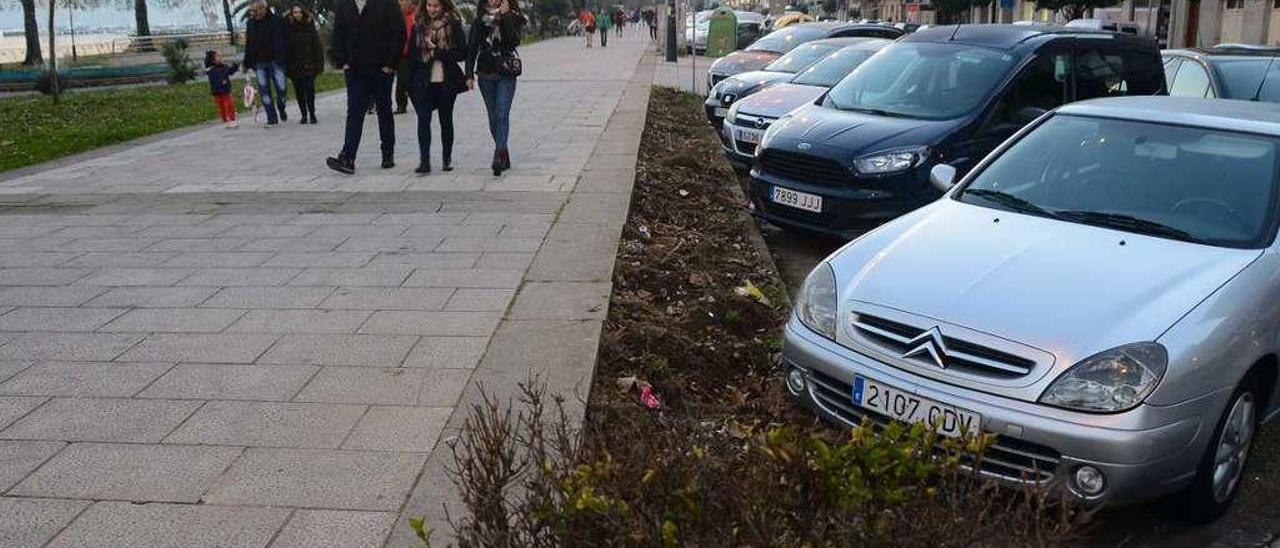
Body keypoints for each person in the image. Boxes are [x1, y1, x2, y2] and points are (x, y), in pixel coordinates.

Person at [327, 0, 407, 174]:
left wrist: (390, 64)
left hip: (381, 67)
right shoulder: (345, 4)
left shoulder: (387, 4)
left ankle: (388, 153)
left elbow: (399, 33)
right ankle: (347, 157)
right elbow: (338, 34)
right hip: (355, 68)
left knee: (384, 110)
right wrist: (342, 60)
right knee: (354, 112)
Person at [408, 0, 467, 174]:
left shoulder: (453, 24)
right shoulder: (418, 26)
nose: (432, 9)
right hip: (423, 81)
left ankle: (446, 158)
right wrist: (408, 83)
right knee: (423, 120)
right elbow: (412, 56)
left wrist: (437, 52)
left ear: (443, 6)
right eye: (429, 5)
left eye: (436, 6)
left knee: (445, 120)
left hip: (446, 80)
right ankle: (424, 160)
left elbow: (462, 52)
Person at [466, 0, 524, 176]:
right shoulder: (479, 20)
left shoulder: (513, 17)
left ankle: (498, 155)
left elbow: (514, 41)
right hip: (485, 73)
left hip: (506, 72)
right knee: (493, 117)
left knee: (501, 114)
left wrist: (505, 16)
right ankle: (503, 152)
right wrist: (468, 74)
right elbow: (472, 47)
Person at [243, 0, 289, 126]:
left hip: (276, 61)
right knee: (264, 91)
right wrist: (246, 63)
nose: (254, 13)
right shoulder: (251, 23)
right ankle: (272, 118)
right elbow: (249, 44)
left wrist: (284, 57)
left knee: (282, 89)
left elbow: (285, 41)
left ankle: (281, 106)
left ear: (264, 8)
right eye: (252, 10)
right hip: (260, 63)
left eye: (256, 10)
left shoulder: (277, 21)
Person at [284, 3, 324, 124]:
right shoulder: (288, 29)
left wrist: (318, 64)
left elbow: (316, 46)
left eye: (299, 12)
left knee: (310, 90)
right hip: (295, 66)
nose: (297, 15)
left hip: (309, 64)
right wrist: (288, 66)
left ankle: (312, 113)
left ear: (303, 12)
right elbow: (286, 48)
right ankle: (304, 114)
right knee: (299, 92)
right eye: (295, 12)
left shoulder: (309, 26)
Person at [204, 49, 239, 128]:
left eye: (221, 56)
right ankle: (225, 119)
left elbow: (230, 71)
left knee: (229, 104)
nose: (220, 58)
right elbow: (206, 63)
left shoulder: (224, 67)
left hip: (225, 89)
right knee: (221, 106)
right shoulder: (210, 69)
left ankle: (232, 119)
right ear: (212, 59)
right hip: (216, 91)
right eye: (218, 56)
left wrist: (235, 66)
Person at [394, 0, 418, 114]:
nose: (400, 4)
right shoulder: (398, 16)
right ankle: (401, 104)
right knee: (402, 80)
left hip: (413, 53)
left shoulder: (417, 16)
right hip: (401, 52)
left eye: (403, 2)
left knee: (407, 79)